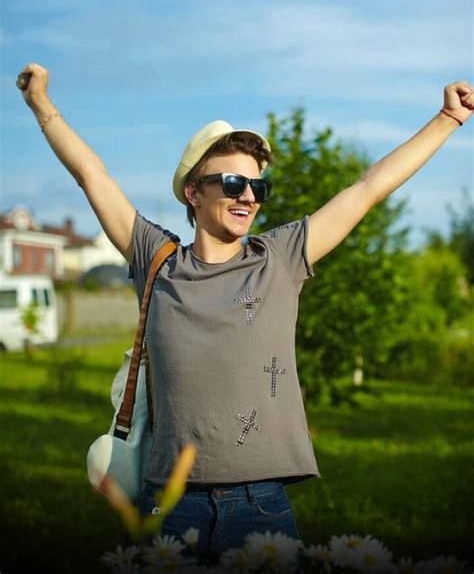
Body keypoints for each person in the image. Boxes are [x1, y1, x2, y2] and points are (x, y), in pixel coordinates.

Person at [16, 63, 473, 568]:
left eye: (259, 187)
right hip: (170, 504)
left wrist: (447, 119)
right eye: (234, 183)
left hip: (261, 506)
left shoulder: (278, 258)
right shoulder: (157, 258)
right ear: (194, 192)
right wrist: (41, 103)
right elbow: (91, 175)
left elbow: (367, 189)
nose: (250, 197)